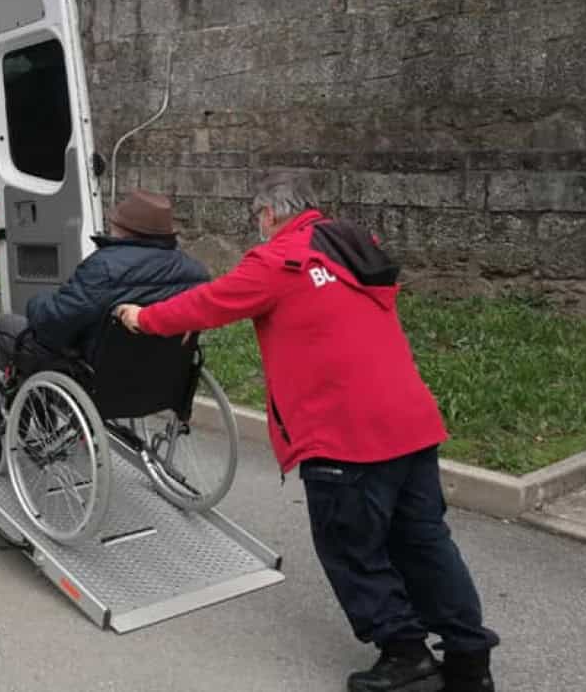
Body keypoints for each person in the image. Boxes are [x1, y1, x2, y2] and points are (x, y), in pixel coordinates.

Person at [116, 173, 499, 692]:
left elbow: (208, 304)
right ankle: (469, 659)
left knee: (351, 548)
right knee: (425, 542)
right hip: (410, 421)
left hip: (344, 433)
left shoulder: (279, 260)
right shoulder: (352, 245)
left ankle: (405, 654)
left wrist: (143, 317)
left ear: (269, 215)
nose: (258, 229)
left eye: (257, 220)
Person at [0, 189, 209, 429]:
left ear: (124, 230)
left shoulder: (104, 268)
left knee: (8, 327)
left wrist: (37, 302)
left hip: (97, 379)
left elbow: (55, 324)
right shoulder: (196, 273)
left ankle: (1, 412)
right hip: (160, 383)